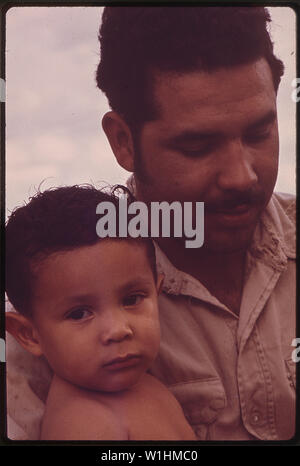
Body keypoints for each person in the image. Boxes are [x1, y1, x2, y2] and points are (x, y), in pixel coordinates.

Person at [95, 6, 296, 440]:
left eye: (259, 133)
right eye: (198, 146)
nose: (241, 175)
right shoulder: (53, 305)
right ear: (124, 141)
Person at [5, 185, 196, 441]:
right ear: (29, 335)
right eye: (79, 314)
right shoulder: (85, 425)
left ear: (157, 292)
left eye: (131, 299)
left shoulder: (146, 387)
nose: (118, 330)